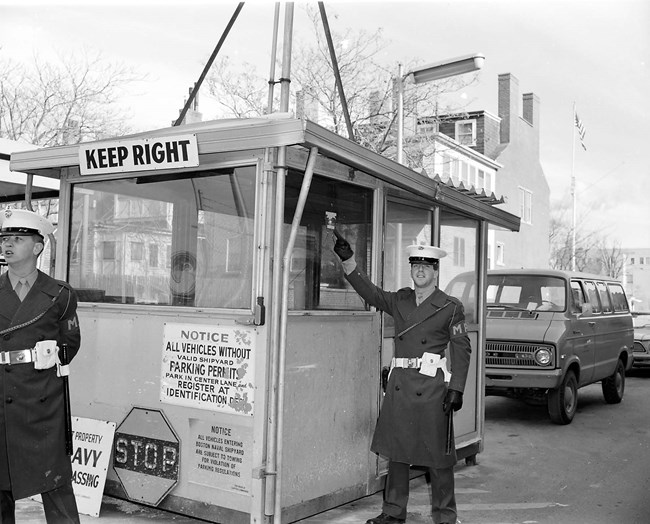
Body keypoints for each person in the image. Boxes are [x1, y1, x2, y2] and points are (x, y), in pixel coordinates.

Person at [333, 234, 471, 524]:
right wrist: (348, 261)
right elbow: (370, 293)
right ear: (411, 270)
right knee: (397, 453)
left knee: (439, 457)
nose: (420, 270)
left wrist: (456, 388)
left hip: (433, 389)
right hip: (400, 386)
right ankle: (394, 513)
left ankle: (446, 517)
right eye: (415, 265)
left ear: (436, 271)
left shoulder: (450, 306)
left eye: (427, 266)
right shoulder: (400, 300)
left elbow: (462, 349)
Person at [0, 209, 81, 524]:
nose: (7, 245)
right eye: (5, 239)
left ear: (37, 247)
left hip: (42, 400)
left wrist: (46, 359)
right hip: (2, 395)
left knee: (54, 482)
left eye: (17, 239)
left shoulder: (60, 294)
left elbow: (70, 343)